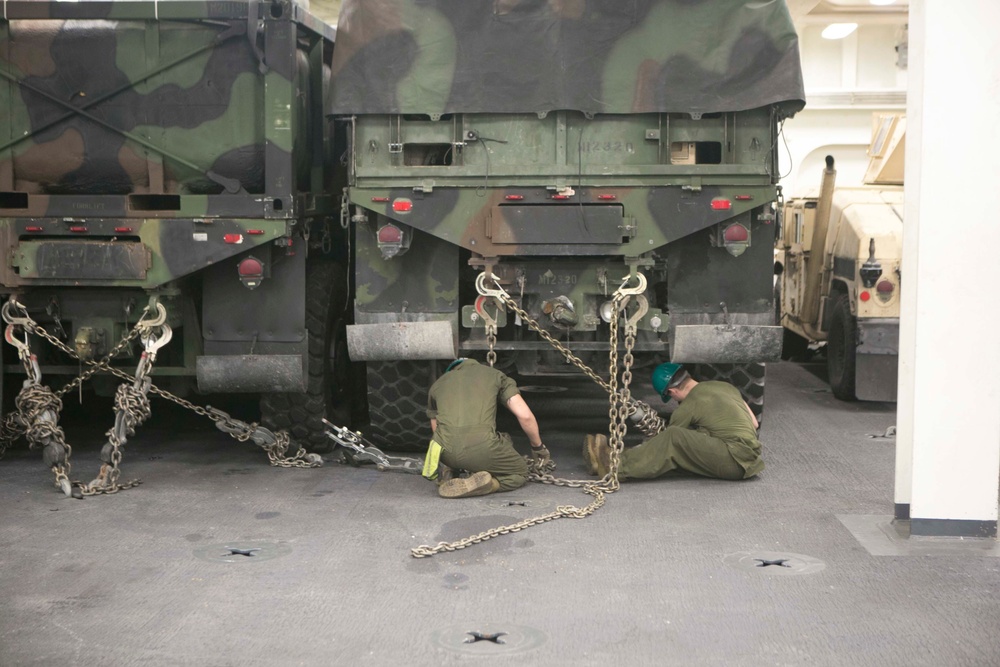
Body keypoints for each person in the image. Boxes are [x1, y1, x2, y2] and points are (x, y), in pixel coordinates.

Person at [584, 363, 763, 481]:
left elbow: (667, 443)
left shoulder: (689, 404)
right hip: (749, 458)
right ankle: (614, 457)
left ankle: (616, 465)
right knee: (692, 436)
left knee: (673, 436)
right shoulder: (726, 387)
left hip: (734, 462)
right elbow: (754, 423)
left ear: (672, 392)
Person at [425, 358, 550, 498]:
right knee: (519, 472)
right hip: (483, 448)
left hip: (445, 453)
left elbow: (436, 428)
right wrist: (537, 446)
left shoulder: (438, 384)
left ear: (453, 369)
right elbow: (525, 416)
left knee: (454, 442)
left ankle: (451, 472)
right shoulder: (496, 375)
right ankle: (490, 484)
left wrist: (447, 459)